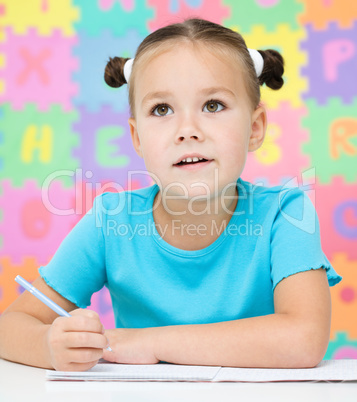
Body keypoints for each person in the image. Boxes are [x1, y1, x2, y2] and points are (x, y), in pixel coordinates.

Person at [0, 18, 342, 372]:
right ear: (137, 138)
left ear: (255, 128)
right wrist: (50, 346)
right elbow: (9, 327)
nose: (188, 131)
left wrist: (147, 343)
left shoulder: (285, 214)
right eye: (162, 110)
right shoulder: (111, 220)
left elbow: (304, 339)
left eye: (213, 105)